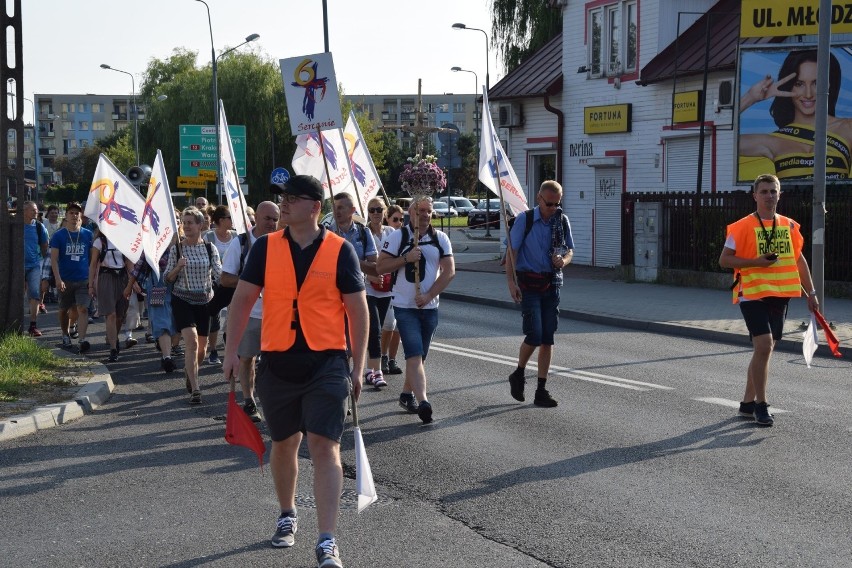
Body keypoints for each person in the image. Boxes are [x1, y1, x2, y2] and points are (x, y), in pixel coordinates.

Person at [223, 174, 367, 567]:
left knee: (325, 446)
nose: (283, 204)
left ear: (314, 207)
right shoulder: (265, 248)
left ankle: (327, 539)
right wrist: (232, 350)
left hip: (327, 362)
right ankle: (287, 513)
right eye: (281, 199)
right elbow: (242, 300)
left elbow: (357, 309)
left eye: (291, 198)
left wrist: (358, 366)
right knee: (285, 444)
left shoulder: (340, 250)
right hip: (278, 362)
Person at [718, 173, 819, 426]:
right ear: (755, 196)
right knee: (764, 346)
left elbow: (798, 260)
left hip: (780, 295)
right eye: (764, 191)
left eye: (773, 191)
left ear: (779, 194)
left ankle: (746, 403)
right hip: (751, 294)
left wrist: (812, 293)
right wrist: (755, 263)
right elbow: (724, 260)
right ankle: (761, 406)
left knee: (765, 350)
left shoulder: (789, 225)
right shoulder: (742, 226)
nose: (769, 196)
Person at [376, 196, 455, 423]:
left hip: (430, 307)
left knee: (420, 356)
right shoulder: (398, 236)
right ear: (411, 213)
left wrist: (430, 295)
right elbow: (380, 266)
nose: (425, 215)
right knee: (414, 352)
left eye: (429, 211)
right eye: (420, 210)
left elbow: (449, 271)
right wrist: (406, 258)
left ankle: (405, 394)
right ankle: (423, 401)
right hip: (404, 306)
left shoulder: (440, 239)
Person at [504, 181, 575, 408]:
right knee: (534, 335)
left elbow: (570, 250)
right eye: (549, 204)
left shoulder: (561, 221)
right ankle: (519, 372)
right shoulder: (525, 220)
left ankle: (541, 389)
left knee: (547, 338)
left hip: (552, 283)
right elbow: (511, 252)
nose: (553, 208)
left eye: (557, 204)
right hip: (528, 283)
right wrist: (511, 283)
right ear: (539, 198)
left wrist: (562, 260)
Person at [739, 49, 852, 180]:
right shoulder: (775, 141)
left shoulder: (847, 127)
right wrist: (750, 97)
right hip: (788, 201)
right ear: (789, 86)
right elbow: (725, 142)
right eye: (799, 84)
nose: (808, 94)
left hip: (837, 201)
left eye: (817, 83)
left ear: (829, 85)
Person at [219, 200, 280, 422]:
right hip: (249, 313)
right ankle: (249, 401)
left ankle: (274, 401)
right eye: (268, 218)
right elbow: (225, 278)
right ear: (257, 218)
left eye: (275, 219)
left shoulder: (283, 242)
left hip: (277, 315)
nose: (272, 223)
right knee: (246, 358)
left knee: (277, 361)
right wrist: (253, 283)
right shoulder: (242, 243)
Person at [164, 206, 222, 405]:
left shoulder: (209, 248)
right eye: (184, 222)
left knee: (202, 349)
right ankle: (196, 388)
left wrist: (233, 284)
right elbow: (167, 279)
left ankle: (190, 372)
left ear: (200, 225)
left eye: (190, 223)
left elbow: (218, 273)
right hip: (182, 299)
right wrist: (178, 267)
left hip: (205, 300)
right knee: (192, 341)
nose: (186, 226)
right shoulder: (177, 249)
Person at [328, 192, 379, 382]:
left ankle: (348, 382)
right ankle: (340, 387)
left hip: (356, 295)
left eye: (341, 207)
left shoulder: (364, 233)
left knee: (352, 346)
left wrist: (350, 260)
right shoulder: (325, 232)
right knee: (334, 347)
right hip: (330, 297)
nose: (337, 211)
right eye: (335, 206)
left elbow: (374, 268)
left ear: (352, 210)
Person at [125, 241, 179, 373]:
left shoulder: (182, 245)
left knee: (174, 321)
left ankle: (166, 348)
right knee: (161, 320)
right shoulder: (153, 244)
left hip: (179, 286)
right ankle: (167, 357)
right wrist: (129, 286)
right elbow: (138, 268)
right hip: (158, 285)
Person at [50, 202, 95, 352]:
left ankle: (82, 339)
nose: (74, 216)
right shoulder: (58, 236)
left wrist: (92, 279)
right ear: (66, 216)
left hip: (83, 279)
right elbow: (54, 259)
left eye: (77, 213)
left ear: (80, 216)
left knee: (82, 308)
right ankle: (65, 334)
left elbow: (91, 259)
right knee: (64, 309)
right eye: (71, 213)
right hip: (65, 279)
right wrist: (57, 279)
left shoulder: (87, 235)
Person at [363, 197, 395, 388]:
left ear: (384, 212)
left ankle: (368, 369)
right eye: (371, 209)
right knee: (374, 329)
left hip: (387, 289)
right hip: (368, 289)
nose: (375, 213)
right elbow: (357, 260)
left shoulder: (391, 232)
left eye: (378, 209)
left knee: (379, 329)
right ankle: (376, 372)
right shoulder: (364, 233)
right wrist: (370, 276)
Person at [203, 205, 237, 365]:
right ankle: (213, 350)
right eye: (230, 217)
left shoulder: (237, 236)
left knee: (234, 314)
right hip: (214, 283)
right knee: (214, 315)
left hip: (232, 283)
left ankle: (228, 339)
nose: (232, 220)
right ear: (222, 220)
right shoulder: (208, 236)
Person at [89, 233, 132, 362]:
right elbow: (93, 264)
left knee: (120, 315)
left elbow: (129, 263)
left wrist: (133, 282)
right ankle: (113, 348)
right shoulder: (99, 242)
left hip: (122, 278)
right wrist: (90, 285)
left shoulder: (124, 239)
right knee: (110, 314)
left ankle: (114, 337)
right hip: (106, 277)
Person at [379, 205, 404, 375]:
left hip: (400, 286)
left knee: (399, 326)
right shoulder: (385, 235)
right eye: (395, 219)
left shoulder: (404, 236)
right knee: (388, 324)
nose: (399, 223)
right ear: (387, 218)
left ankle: (393, 358)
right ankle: (382, 356)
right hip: (384, 286)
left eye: (401, 220)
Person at [22, 201, 49, 337]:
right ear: (24, 211)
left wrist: (45, 268)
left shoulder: (39, 227)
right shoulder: (15, 226)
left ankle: (33, 326)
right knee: (17, 295)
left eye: (36, 210)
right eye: (33, 210)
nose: (36, 212)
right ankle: (14, 325)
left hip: (34, 265)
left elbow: (45, 246)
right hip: (17, 266)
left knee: (34, 295)